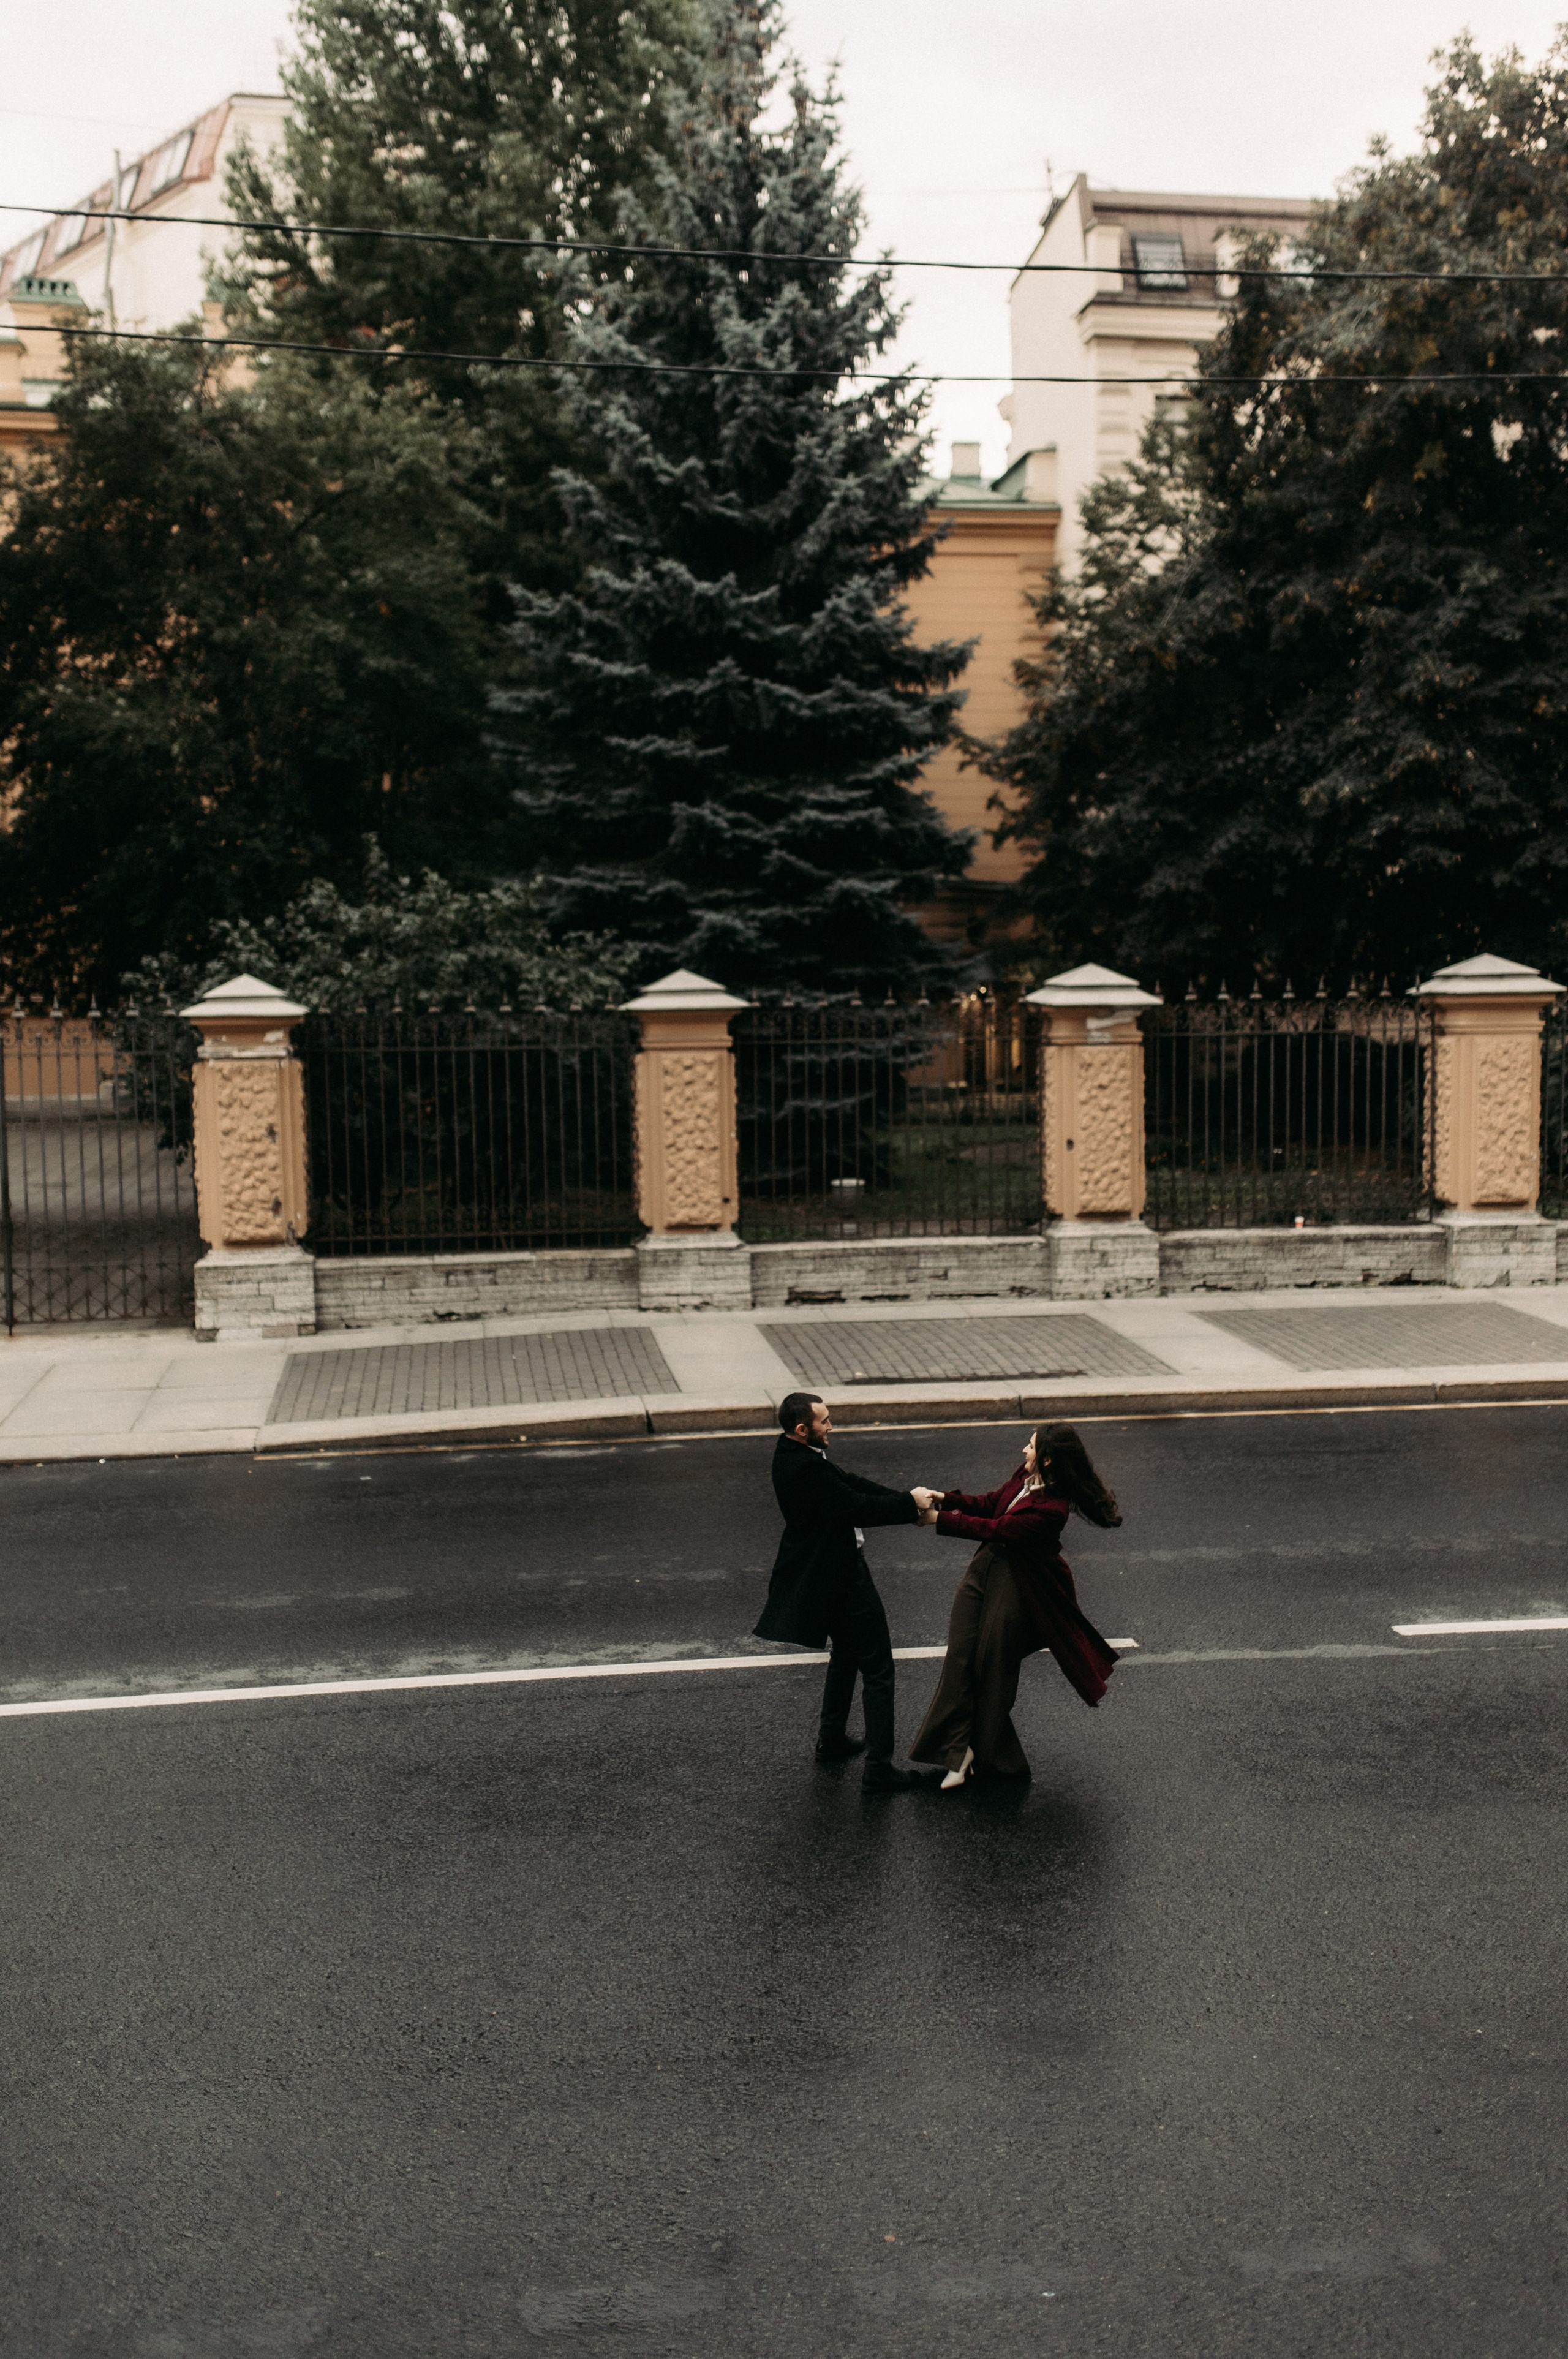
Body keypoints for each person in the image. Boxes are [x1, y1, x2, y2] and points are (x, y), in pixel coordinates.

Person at [910, 1422, 1121, 1789]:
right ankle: (961, 1752)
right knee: (961, 1656)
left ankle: (987, 1758)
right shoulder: (1026, 1477)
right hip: (986, 1568)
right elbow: (992, 1504)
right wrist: (944, 1498)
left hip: (1022, 1585)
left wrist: (939, 1520)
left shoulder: (1053, 1508)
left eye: (1031, 1446)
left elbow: (998, 1528)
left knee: (993, 1668)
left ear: (1049, 1458)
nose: (1024, 1450)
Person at [754, 1392, 940, 1793]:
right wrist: (908, 1509)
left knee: (847, 1654)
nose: (831, 1426)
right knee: (878, 1666)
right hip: (843, 1574)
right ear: (804, 1429)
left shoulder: (792, 1452)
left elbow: (849, 1483)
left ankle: (832, 1738)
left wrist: (906, 1498)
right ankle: (879, 1767)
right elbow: (855, 1505)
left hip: (826, 1569)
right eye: (825, 1421)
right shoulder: (806, 1468)